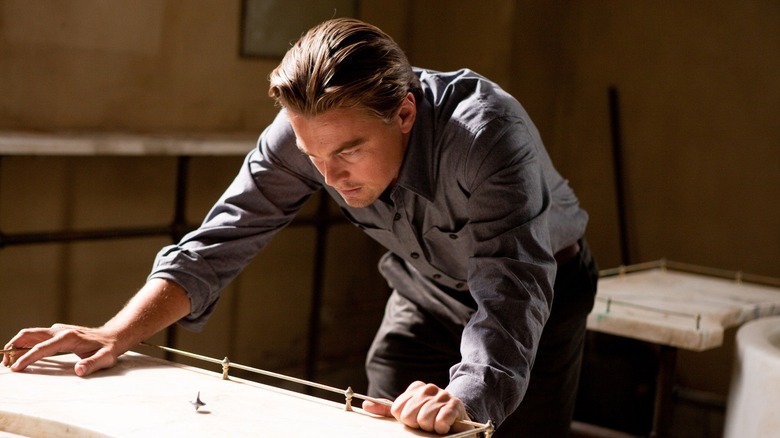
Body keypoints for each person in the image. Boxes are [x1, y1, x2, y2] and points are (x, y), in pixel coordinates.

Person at [3, 18, 597, 437]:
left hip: (540, 294)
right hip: (424, 290)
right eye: (315, 158)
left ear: (404, 112)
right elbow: (218, 242)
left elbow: (510, 290)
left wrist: (463, 399)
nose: (330, 177)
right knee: (386, 427)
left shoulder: (486, 136)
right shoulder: (302, 133)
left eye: (349, 152)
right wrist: (114, 332)